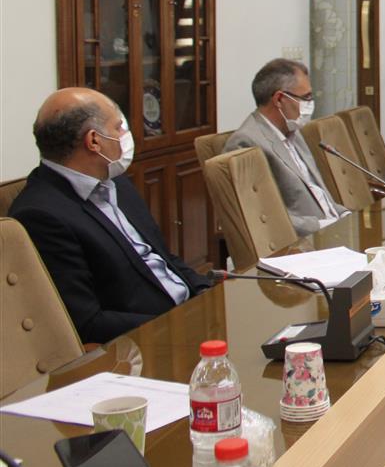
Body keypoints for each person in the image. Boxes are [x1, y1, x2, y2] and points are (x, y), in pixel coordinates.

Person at [11, 88, 210, 344]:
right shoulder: (41, 216)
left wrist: (206, 291)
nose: (125, 135)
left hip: (191, 313)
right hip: (149, 340)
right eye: (118, 127)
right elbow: (87, 322)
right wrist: (180, 323)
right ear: (94, 141)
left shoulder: (114, 181)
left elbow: (164, 257)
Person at [224, 59, 349, 238]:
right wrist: (323, 225)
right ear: (279, 99)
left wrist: (344, 214)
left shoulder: (293, 131)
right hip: (302, 242)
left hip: (332, 230)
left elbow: (318, 193)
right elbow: (262, 218)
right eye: (306, 97)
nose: (310, 104)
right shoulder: (246, 142)